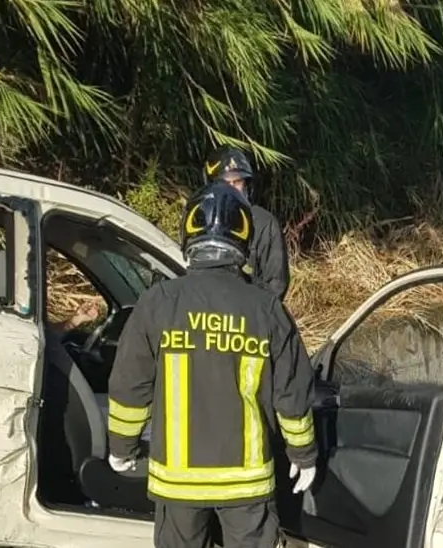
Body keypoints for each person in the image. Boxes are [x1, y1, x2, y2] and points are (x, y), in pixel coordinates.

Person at [106, 182, 318, 548]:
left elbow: (130, 386)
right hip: (246, 483)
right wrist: (304, 454)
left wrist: (121, 448)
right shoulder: (265, 308)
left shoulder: (159, 302)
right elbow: (292, 393)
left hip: (178, 483)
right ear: (244, 240)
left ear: (188, 234)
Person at [205, 146, 290, 301]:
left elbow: (276, 285)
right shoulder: (201, 219)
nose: (231, 189)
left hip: (249, 309)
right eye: (225, 182)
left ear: (246, 185)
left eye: (237, 182)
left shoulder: (264, 223)